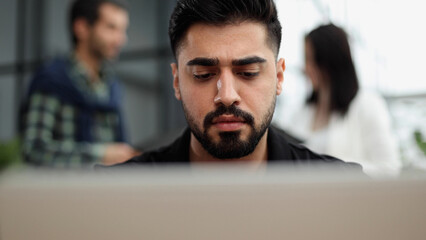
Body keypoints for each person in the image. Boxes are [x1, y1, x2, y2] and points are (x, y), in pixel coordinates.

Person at [107, 0, 361, 170]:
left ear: (279, 78)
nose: (227, 96)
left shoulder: (344, 191)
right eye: (204, 74)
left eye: (248, 73)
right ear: (176, 81)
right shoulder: (113, 193)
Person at [22, 0, 139, 168]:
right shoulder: (51, 81)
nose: (121, 40)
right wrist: (101, 155)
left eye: (123, 30)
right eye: (111, 28)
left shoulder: (112, 87)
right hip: (63, 192)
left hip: (107, 191)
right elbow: (34, 151)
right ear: (82, 28)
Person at [282, 24, 401, 176]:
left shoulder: (367, 104)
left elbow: (389, 168)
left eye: (309, 59)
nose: (305, 68)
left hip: (350, 198)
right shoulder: (302, 111)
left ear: (328, 62)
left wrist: (333, 167)